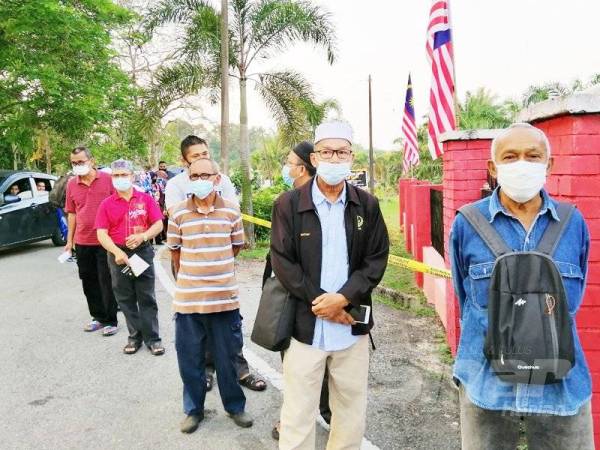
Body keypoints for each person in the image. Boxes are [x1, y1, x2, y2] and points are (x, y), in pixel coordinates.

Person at [449, 123, 594, 449]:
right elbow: (466, 299)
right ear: (493, 167)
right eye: (510, 157)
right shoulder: (467, 223)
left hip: (562, 389)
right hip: (486, 386)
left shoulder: (573, 223)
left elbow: (572, 302)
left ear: (548, 164)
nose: (522, 164)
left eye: (532, 156)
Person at [271, 121, 390, 449]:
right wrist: (324, 302)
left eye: (341, 152)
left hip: (351, 327)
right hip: (305, 328)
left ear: (352, 156)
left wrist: (344, 300)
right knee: (297, 414)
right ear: (315, 158)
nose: (334, 158)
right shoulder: (289, 205)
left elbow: (376, 259)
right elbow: (284, 263)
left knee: (351, 414)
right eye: (326, 152)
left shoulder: (367, 205)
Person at [165, 135, 266, 393]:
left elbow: (234, 236)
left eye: (205, 154)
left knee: (229, 329)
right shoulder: (175, 185)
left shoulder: (224, 182)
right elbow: (178, 234)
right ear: (184, 162)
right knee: (197, 327)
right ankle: (206, 371)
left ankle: (238, 370)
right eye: (195, 156)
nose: (202, 159)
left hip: (221, 274)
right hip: (191, 270)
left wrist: (218, 260)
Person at [167, 158, 253, 433]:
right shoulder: (178, 213)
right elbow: (175, 251)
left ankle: (235, 407)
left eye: (207, 175)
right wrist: (191, 280)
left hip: (224, 300)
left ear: (217, 179)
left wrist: (216, 267)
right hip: (189, 302)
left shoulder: (231, 211)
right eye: (195, 175)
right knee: (190, 360)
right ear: (188, 179)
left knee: (227, 358)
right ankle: (194, 410)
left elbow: (236, 246)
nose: (201, 179)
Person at [269, 141, 332, 441]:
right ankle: (294, 419)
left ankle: (325, 411)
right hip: (298, 299)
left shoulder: (324, 203)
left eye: (290, 161)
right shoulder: (286, 203)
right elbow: (282, 259)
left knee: (323, 363)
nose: (286, 166)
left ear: (303, 167)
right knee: (297, 369)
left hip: (324, 302)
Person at [95, 159, 165, 356]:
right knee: (125, 298)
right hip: (118, 255)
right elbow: (101, 233)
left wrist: (143, 236)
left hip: (141, 252)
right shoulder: (107, 204)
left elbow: (158, 224)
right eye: (116, 176)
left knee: (147, 296)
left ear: (131, 176)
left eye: (123, 175)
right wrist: (117, 252)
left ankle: (153, 339)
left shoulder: (145, 199)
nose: (120, 179)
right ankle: (134, 337)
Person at [64, 147, 119, 336]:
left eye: (81, 161)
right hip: (82, 240)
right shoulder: (71, 184)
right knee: (88, 280)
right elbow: (72, 213)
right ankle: (97, 317)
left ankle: (111, 319)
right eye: (74, 163)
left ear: (91, 161)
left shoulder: (108, 180)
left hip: (105, 241)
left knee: (106, 280)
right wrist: (69, 241)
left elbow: (118, 206)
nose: (78, 165)